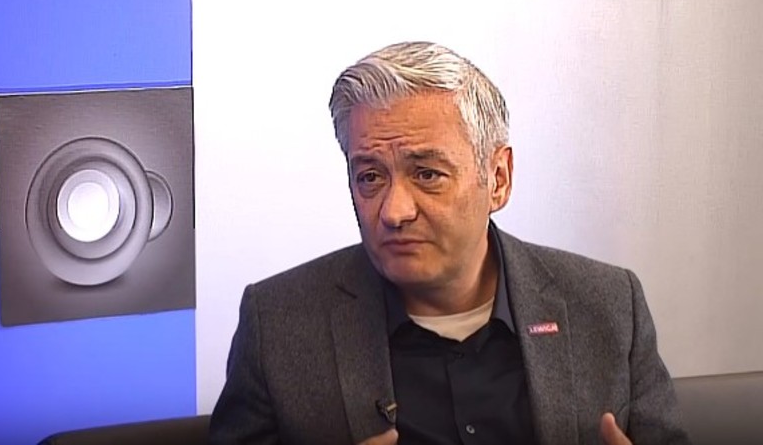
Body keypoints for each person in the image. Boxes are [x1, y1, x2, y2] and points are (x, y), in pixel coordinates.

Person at [209, 41, 691, 445]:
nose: (395, 211)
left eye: (427, 174)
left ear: (497, 178)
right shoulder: (278, 324)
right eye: (370, 177)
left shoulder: (607, 305)